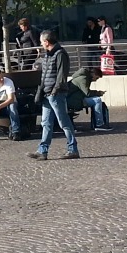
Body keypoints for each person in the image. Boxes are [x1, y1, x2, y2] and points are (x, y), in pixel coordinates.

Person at [28, 30, 80, 160]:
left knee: (64, 122)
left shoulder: (60, 54)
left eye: (41, 42)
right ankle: (42, 151)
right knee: (46, 123)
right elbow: (44, 75)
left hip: (55, 94)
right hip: (47, 93)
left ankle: (73, 149)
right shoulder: (48, 55)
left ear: (46, 42)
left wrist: (54, 91)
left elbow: (61, 76)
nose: (40, 44)